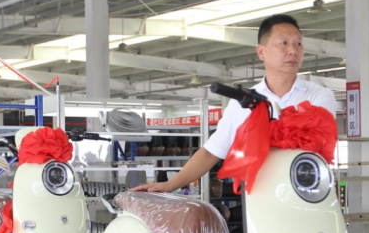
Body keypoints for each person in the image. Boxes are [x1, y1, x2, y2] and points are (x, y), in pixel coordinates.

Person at [132, 13, 338, 194]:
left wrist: (252, 137)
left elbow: (313, 141)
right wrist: (169, 185)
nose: (293, 50)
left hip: (308, 194)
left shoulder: (319, 96)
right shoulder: (242, 103)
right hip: (260, 198)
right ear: (261, 52)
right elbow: (212, 151)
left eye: (298, 43)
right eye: (283, 43)